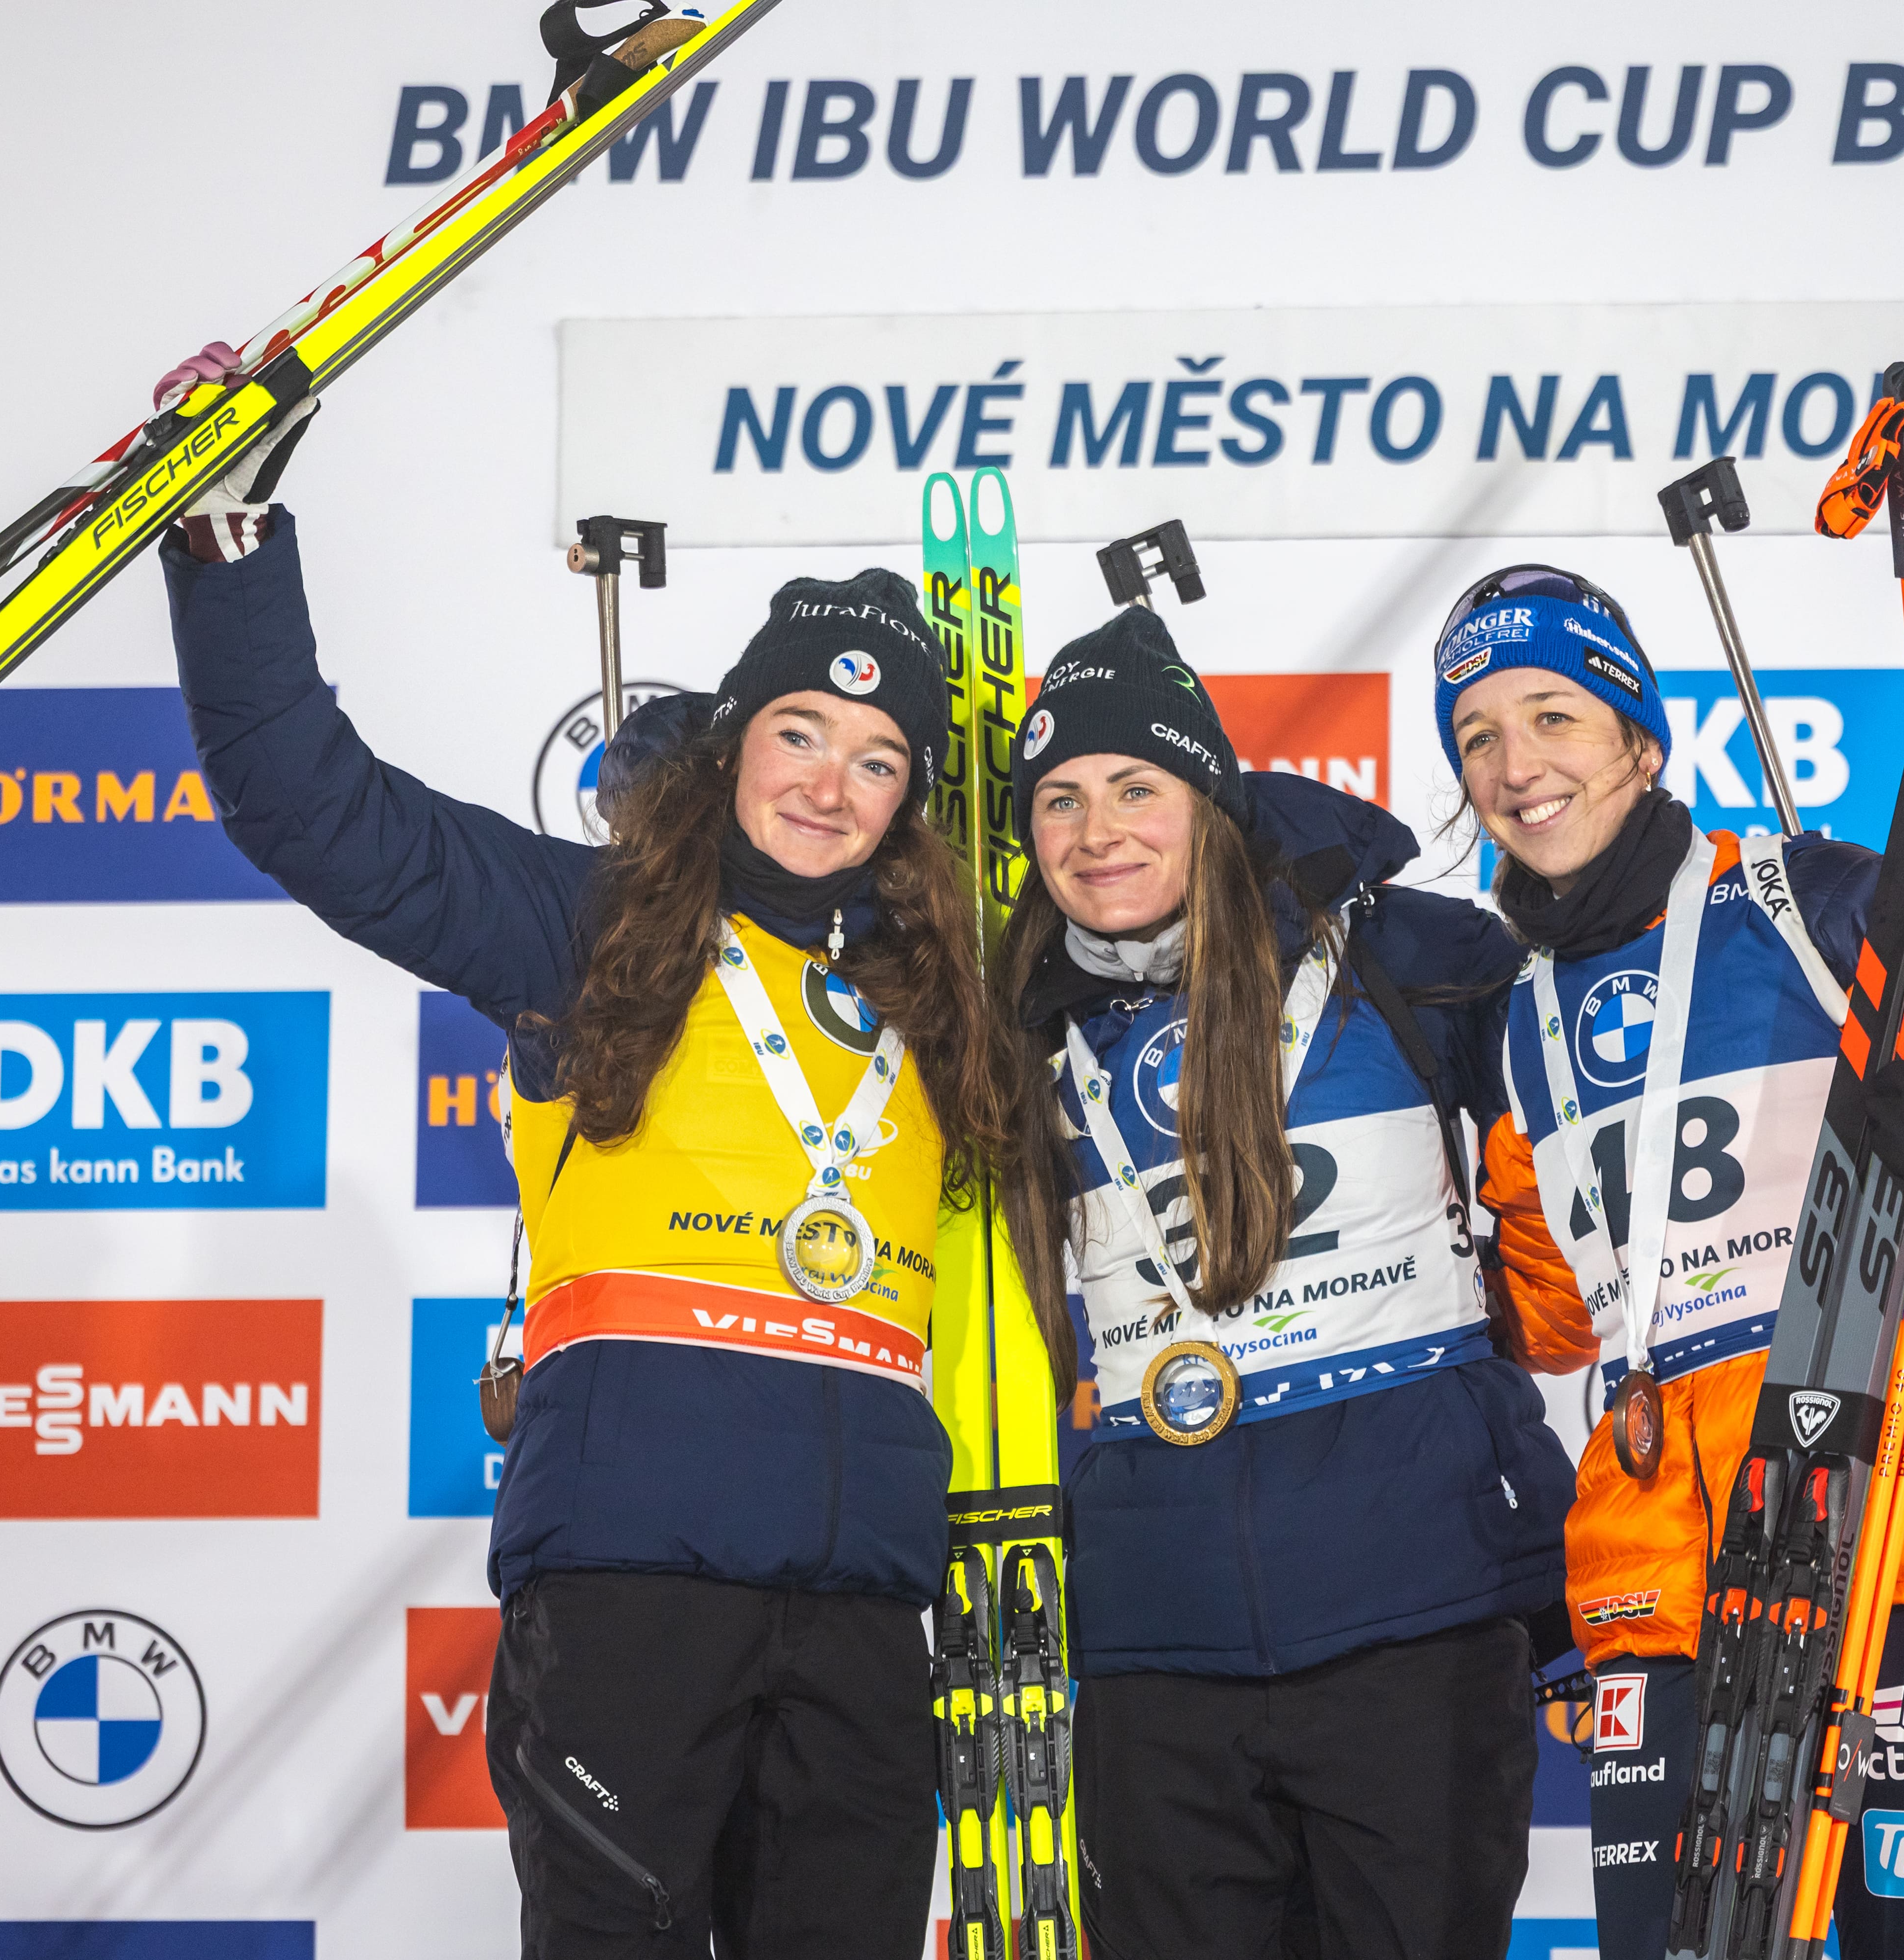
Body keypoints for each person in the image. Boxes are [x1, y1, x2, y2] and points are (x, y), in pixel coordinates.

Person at [153, 350, 1002, 1958]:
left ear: (910, 800)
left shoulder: (941, 996)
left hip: (860, 1611)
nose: (830, 785)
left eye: (878, 759)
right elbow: (312, 808)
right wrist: (228, 541)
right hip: (632, 1584)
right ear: (734, 743)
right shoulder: (592, 924)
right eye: (801, 733)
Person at [1435, 565, 1904, 1960]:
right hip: (1667, 1559)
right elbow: (1549, 1316)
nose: (1517, 765)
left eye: (1553, 717)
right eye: (1477, 735)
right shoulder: (1514, 1017)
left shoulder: (1813, 904)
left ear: (1638, 741)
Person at [986, 605, 1576, 1960]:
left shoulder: (1399, 956)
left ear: (1212, 802)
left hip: (1413, 1617)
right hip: (1154, 1642)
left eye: (1137, 788)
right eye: (1060, 800)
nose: (1096, 831)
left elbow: (1626, 1066)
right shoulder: (1011, 1031)